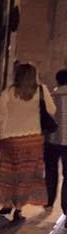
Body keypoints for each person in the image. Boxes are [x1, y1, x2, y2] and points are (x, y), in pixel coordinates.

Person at [0, 60, 57, 221]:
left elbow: (0, 115)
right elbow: (52, 110)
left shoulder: (9, 92)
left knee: (9, 172)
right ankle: (18, 209)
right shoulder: (41, 90)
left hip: (10, 139)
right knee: (26, 175)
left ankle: (7, 203)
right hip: (32, 139)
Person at [43, 68, 67, 213]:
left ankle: (49, 202)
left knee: (51, 172)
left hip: (51, 140)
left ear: (58, 81)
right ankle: (66, 208)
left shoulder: (51, 97)